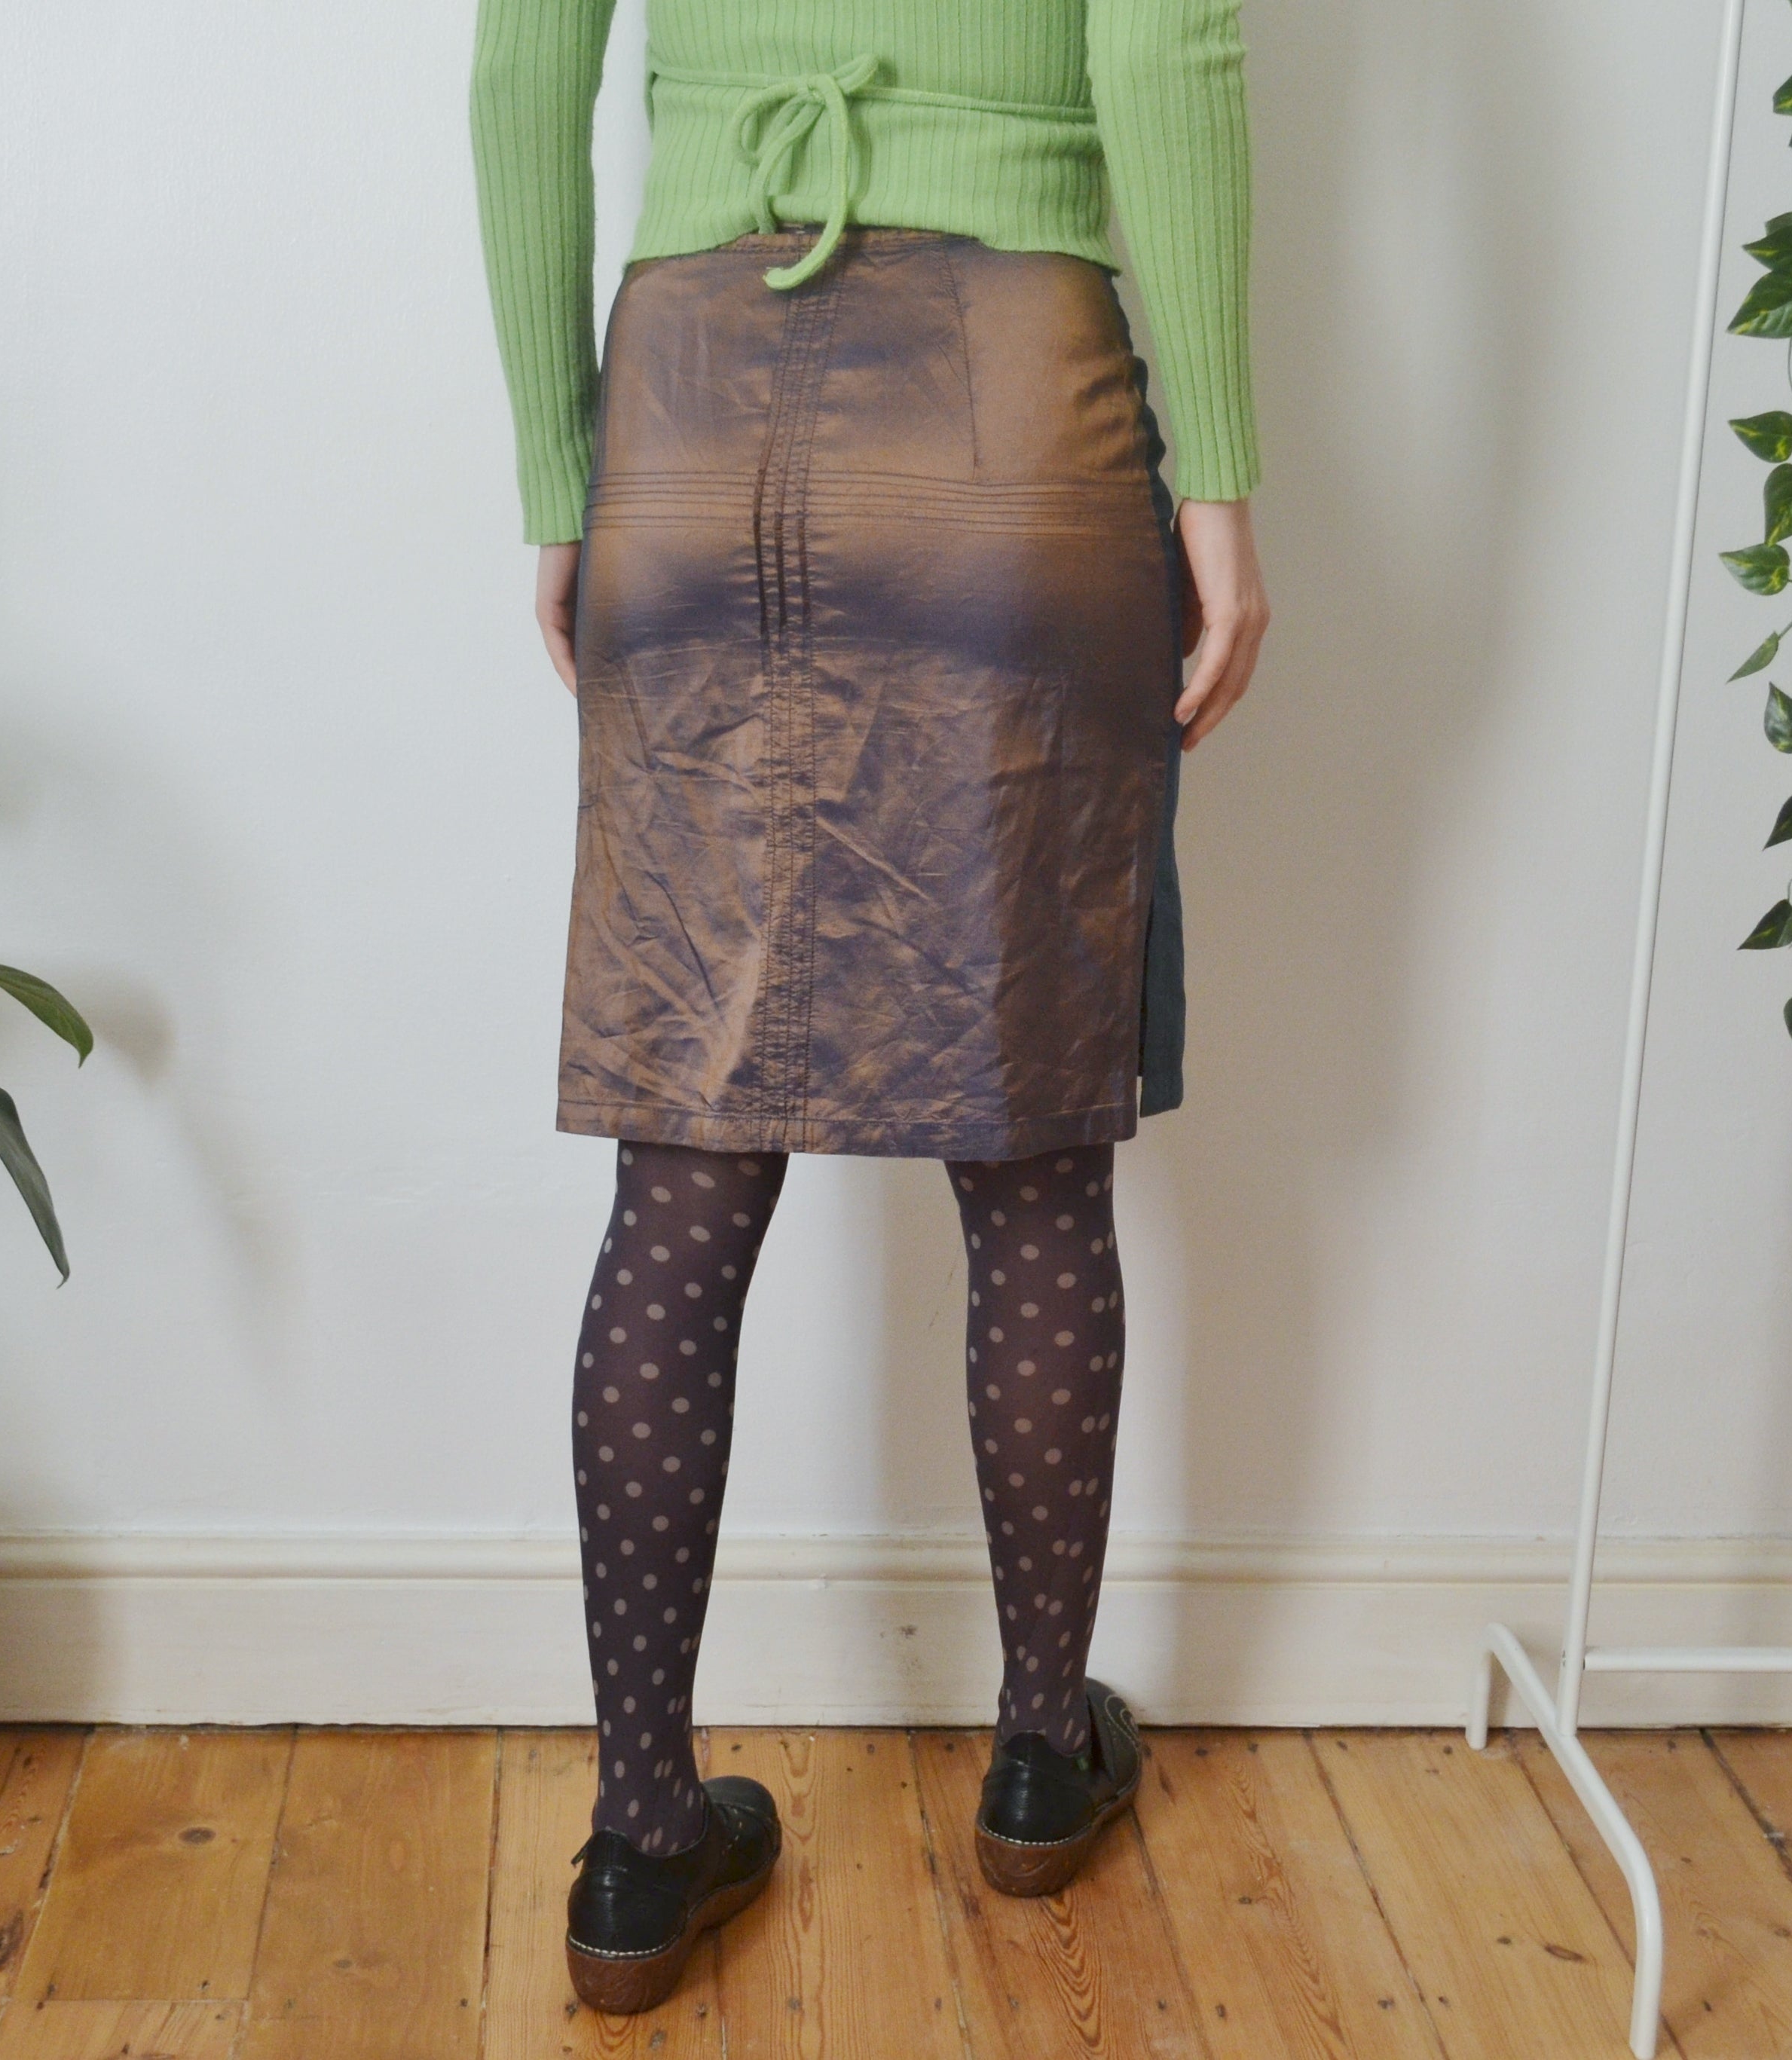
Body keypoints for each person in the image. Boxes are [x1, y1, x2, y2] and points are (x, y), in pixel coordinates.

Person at [469, 0, 1269, 2014]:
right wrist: (1224, 488)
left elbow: (520, 74)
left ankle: (638, 1842)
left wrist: (561, 475)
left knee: (684, 1152)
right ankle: (1040, 1752)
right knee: (1034, 1142)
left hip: (688, 396)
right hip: (1014, 388)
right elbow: (1166, 48)